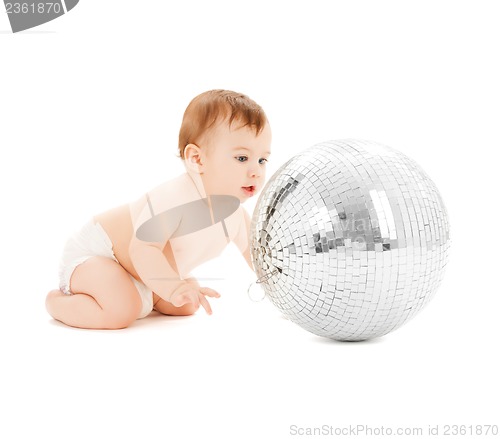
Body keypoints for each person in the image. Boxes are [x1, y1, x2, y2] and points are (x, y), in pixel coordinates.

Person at [45, 89, 272, 329]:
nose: (256, 171)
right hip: (98, 258)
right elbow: (142, 249)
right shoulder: (174, 198)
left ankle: (146, 294)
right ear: (197, 159)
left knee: (185, 305)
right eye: (242, 158)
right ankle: (56, 302)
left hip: (140, 274)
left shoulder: (236, 216)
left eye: (262, 160)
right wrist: (174, 287)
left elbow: (258, 259)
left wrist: (286, 295)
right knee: (121, 311)